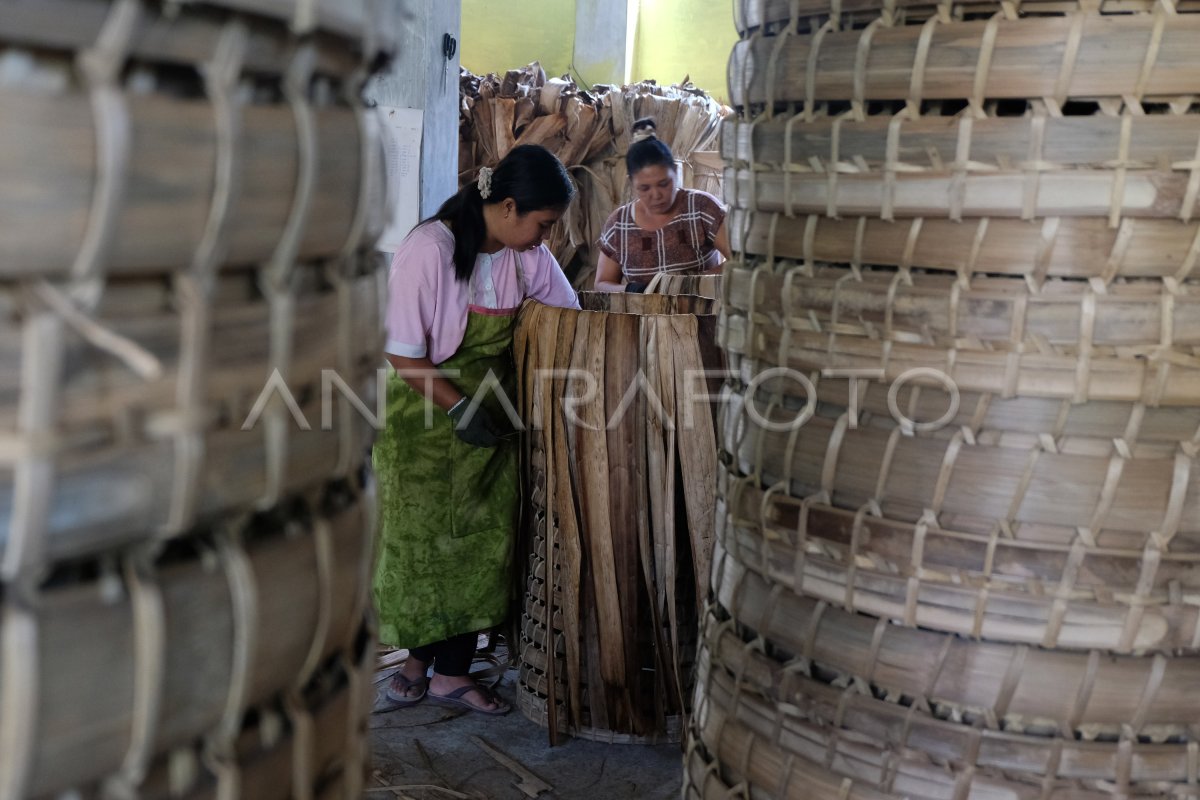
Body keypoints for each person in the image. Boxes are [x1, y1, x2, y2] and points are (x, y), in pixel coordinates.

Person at [373, 145, 580, 715]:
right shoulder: (429, 249)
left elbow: (568, 311)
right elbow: (404, 357)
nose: (547, 237)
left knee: (478, 550)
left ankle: (451, 673)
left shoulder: (525, 256)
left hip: (491, 427)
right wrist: (460, 409)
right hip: (422, 424)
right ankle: (419, 663)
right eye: (543, 224)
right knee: (422, 550)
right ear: (508, 206)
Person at [594, 117, 731, 293]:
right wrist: (632, 290)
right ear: (631, 183)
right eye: (644, 188)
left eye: (664, 184)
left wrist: (692, 285)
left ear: (675, 171)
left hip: (705, 314)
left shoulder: (701, 208)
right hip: (646, 318)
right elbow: (602, 283)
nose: (656, 195)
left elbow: (740, 261)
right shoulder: (619, 225)